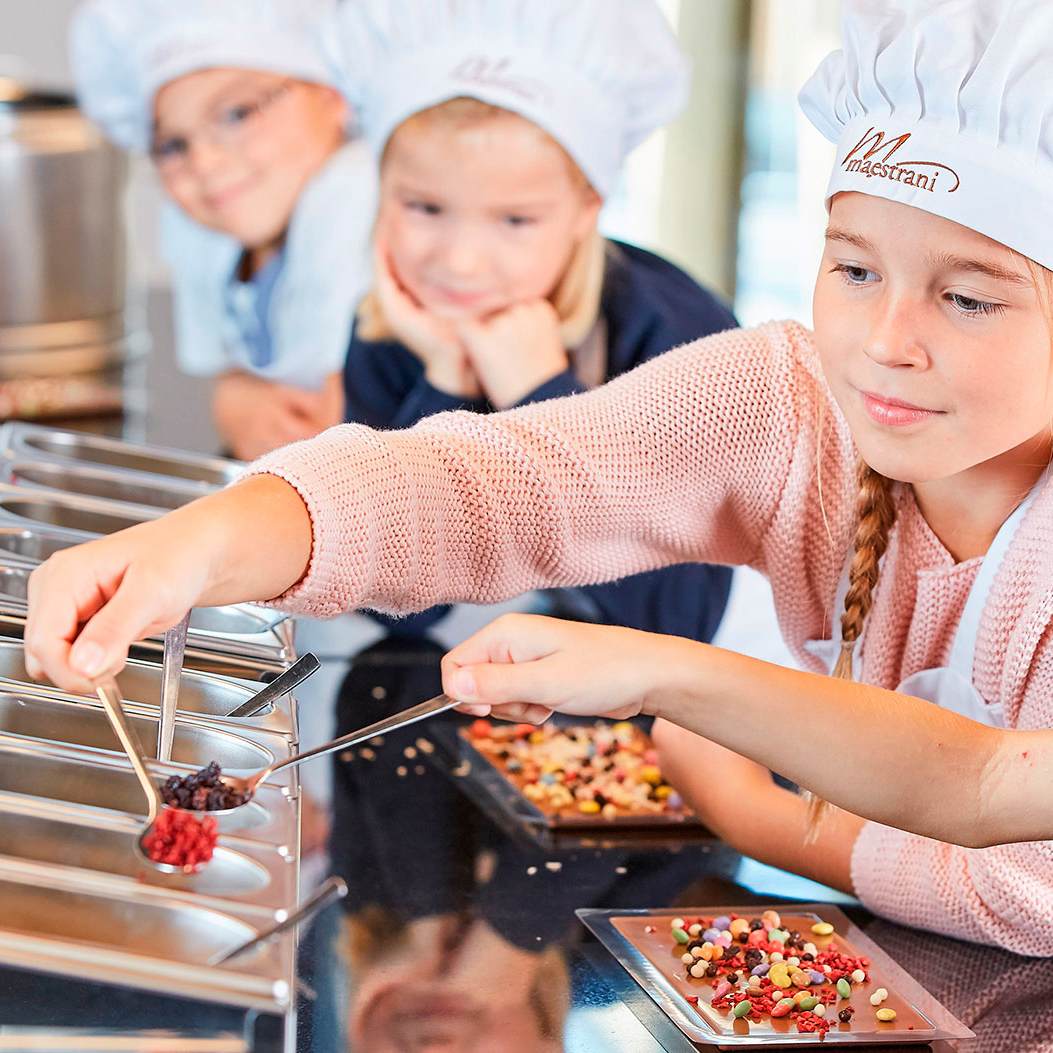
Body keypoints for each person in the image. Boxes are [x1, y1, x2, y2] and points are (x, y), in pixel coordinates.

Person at [26, 0, 1053, 955]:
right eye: (856, 270)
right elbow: (486, 485)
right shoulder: (789, 402)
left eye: (967, 299)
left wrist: (725, 767)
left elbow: (1017, 861)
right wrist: (201, 542)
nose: (883, 342)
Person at [329, 0, 735, 641]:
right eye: (425, 208)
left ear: (586, 207)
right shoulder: (395, 331)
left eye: (515, 220)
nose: (461, 262)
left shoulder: (678, 335)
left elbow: (676, 618)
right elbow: (394, 605)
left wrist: (541, 396)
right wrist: (445, 381)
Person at [69, 0, 376, 460]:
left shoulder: (354, 195)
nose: (204, 164)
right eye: (173, 145)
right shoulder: (219, 233)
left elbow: (339, 428)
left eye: (236, 114)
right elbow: (237, 383)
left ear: (333, 95)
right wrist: (235, 396)